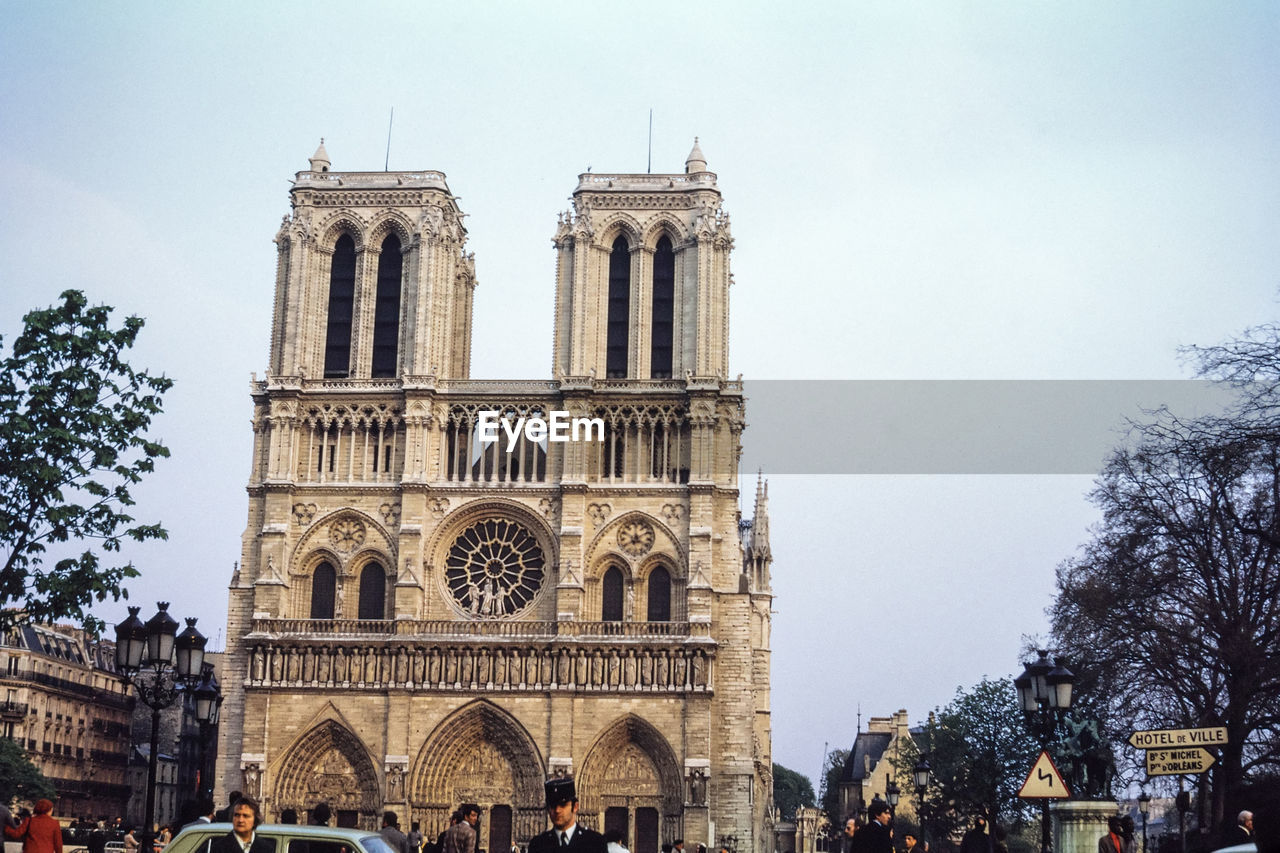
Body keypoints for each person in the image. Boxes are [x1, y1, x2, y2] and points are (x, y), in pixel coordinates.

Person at [528, 778, 607, 853]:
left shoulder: (595, 843)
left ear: (575, 807)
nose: (557, 810)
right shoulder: (538, 845)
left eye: (563, 805)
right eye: (552, 806)